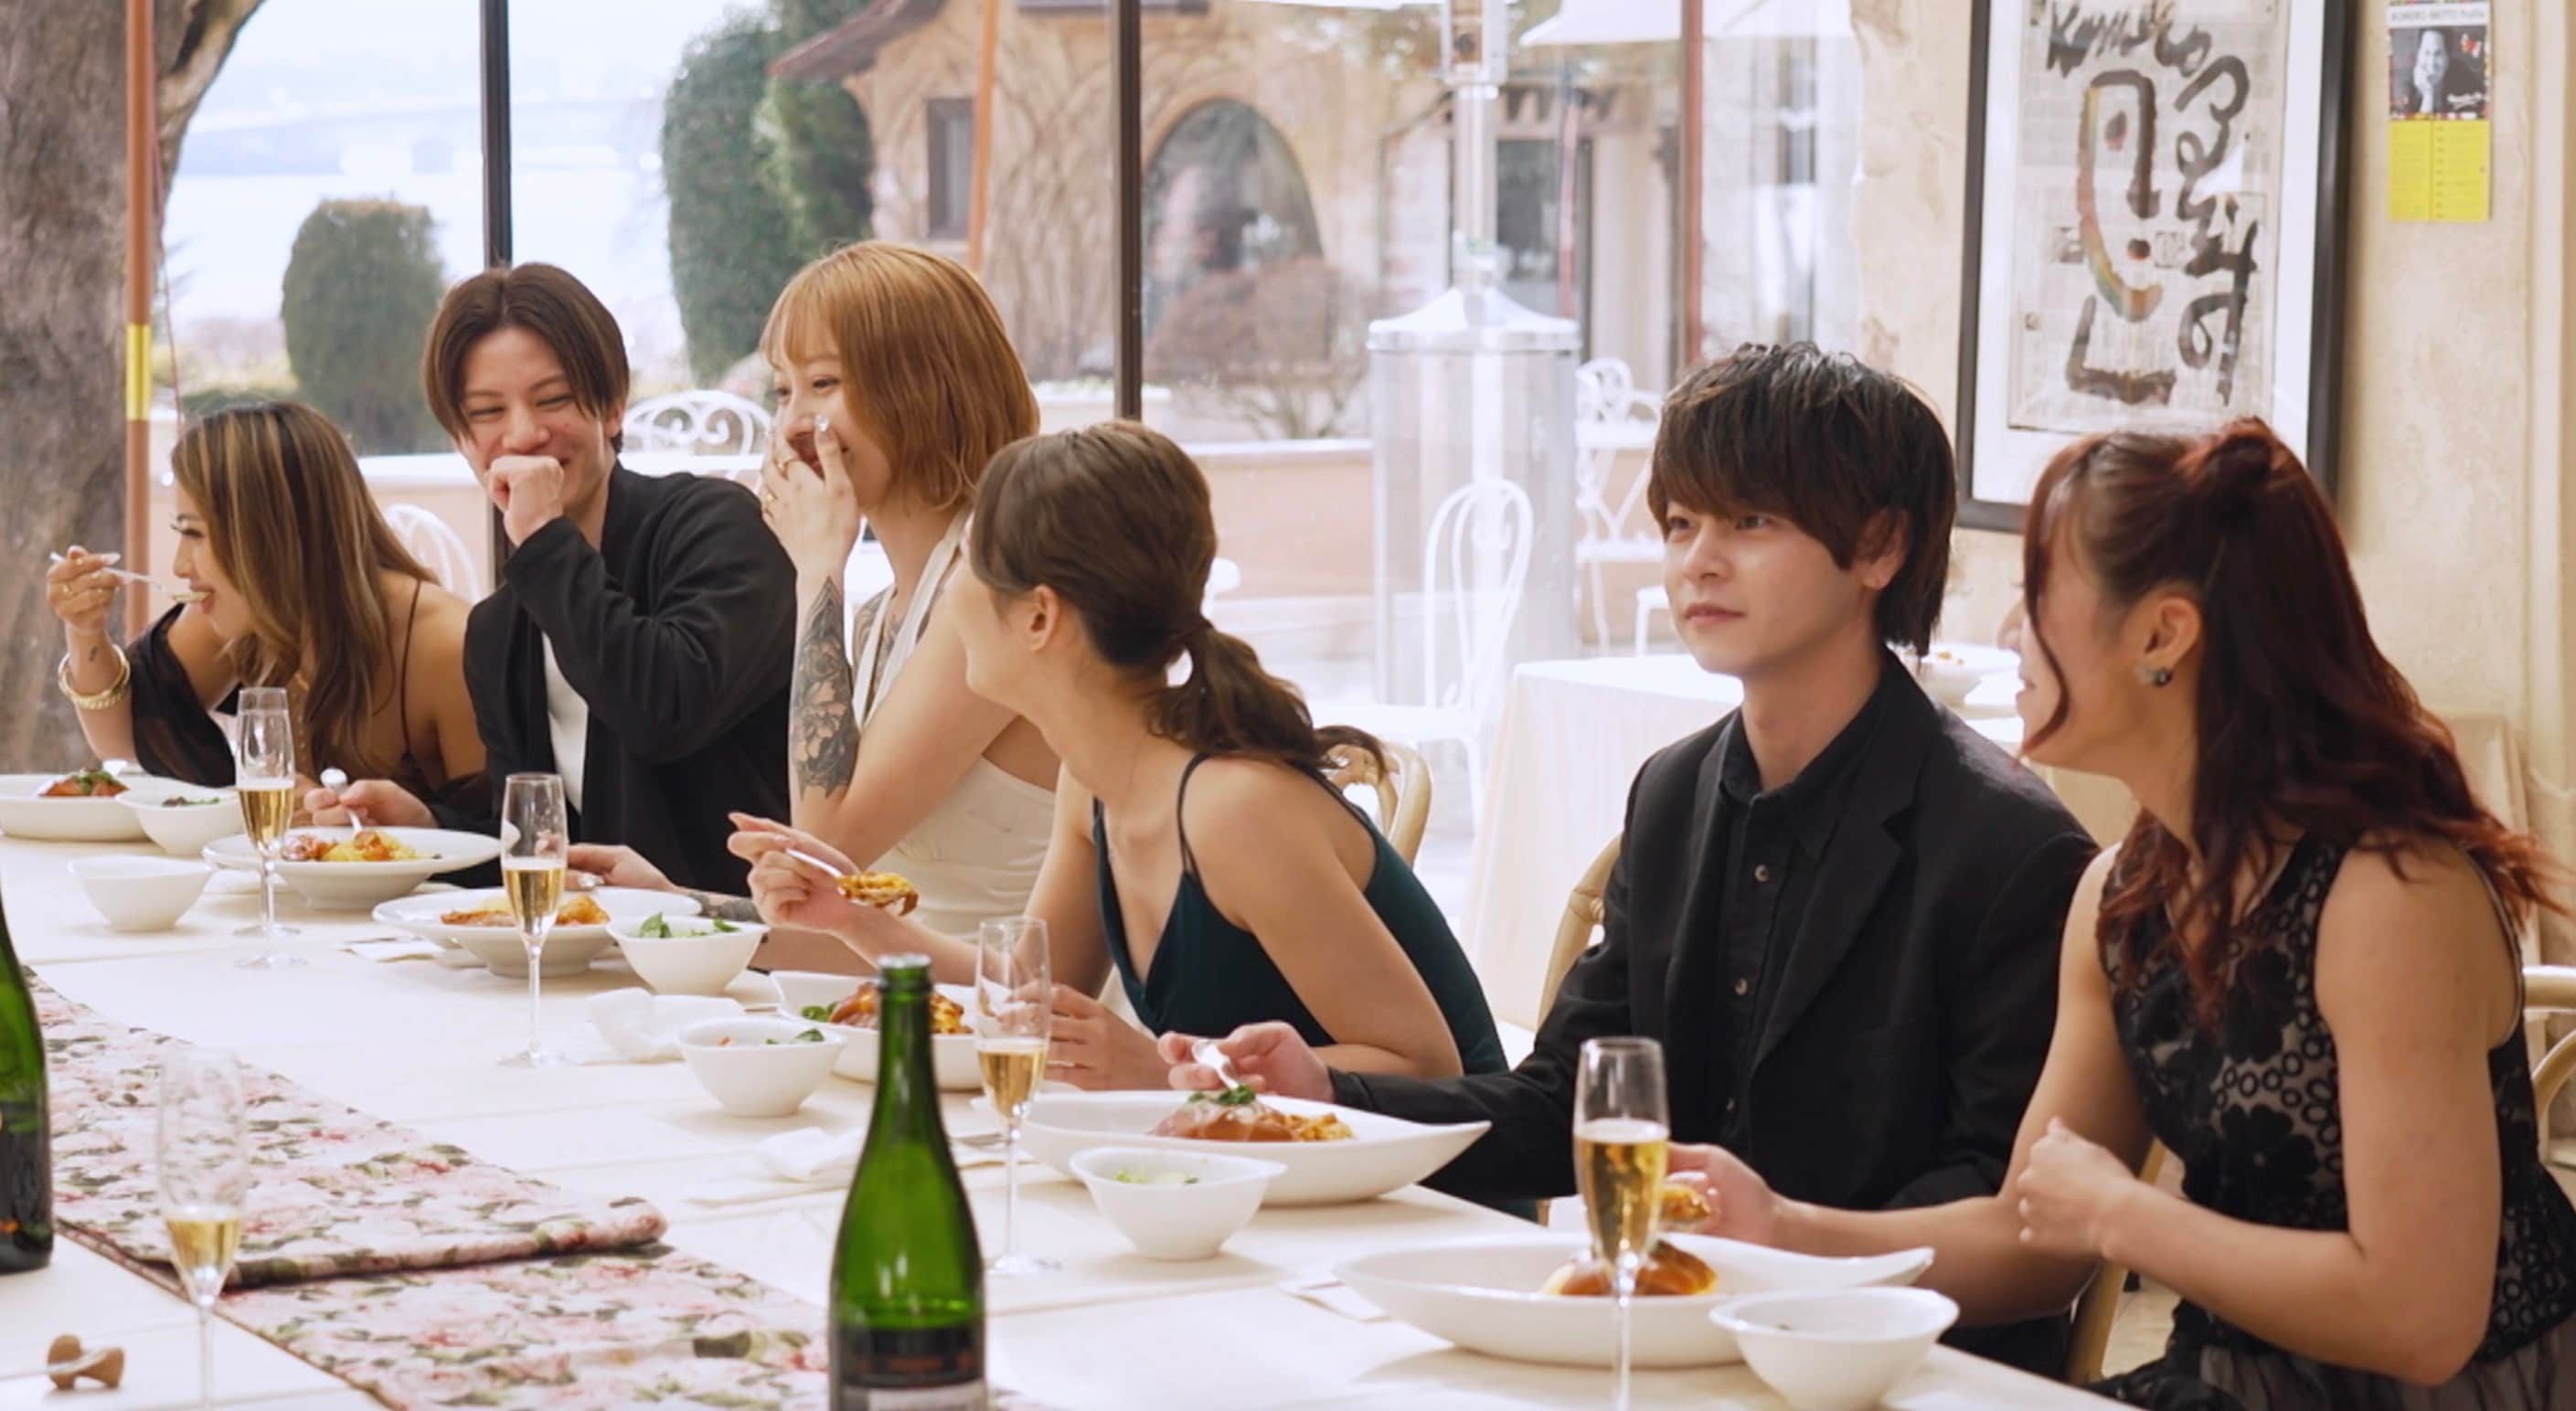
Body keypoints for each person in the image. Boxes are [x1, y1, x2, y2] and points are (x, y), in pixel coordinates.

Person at [1161, 344, 2095, 1374]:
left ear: (1879, 546)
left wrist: (1786, 1245)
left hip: (1898, 1368)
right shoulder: (1675, 793)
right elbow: (1567, 1096)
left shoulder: (2008, 849)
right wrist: (1328, 1097)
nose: (1699, 560)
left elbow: (2009, 1212)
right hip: (1677, 1347)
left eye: (1750, 522)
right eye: (1681, 523)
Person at [1669, 420, 2576, 1408]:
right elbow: (2032, 1238)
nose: (2009, 631)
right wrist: (1782, 1229)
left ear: (2161, 635)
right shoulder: (2122, 897)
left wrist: (2127, 1217)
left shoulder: (2387, 897)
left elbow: (2423, 1320)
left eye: (2038, 594)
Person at [732, 422, 1508, 1096]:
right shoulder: (1094, 780)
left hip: (1433, 1190)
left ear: (1040, 617)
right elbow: (1029, 991)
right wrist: (857, 921)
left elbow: (1428, 1068)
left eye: (967, 562)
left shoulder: (1233, 810)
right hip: (1269, 1169)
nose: (949, 595)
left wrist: (1163, 1071)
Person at [308, 264, 794, 893]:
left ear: (613, 407)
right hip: (590, 942)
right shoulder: (499, 628)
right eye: (487, 411)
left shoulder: (713, 526)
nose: (523, 435)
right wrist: (428, 828)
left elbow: (663, 709)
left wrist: (543, 537)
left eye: (553, 400)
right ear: (462, 440)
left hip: (740, 939)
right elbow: (538, 845)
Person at [47, 401, 483, 812]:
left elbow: (497, 835)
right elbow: (125, 740)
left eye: (194, 534)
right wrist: (85, 630)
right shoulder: (247, 612)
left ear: (267, 536)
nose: (180, 565)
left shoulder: (447, 645)